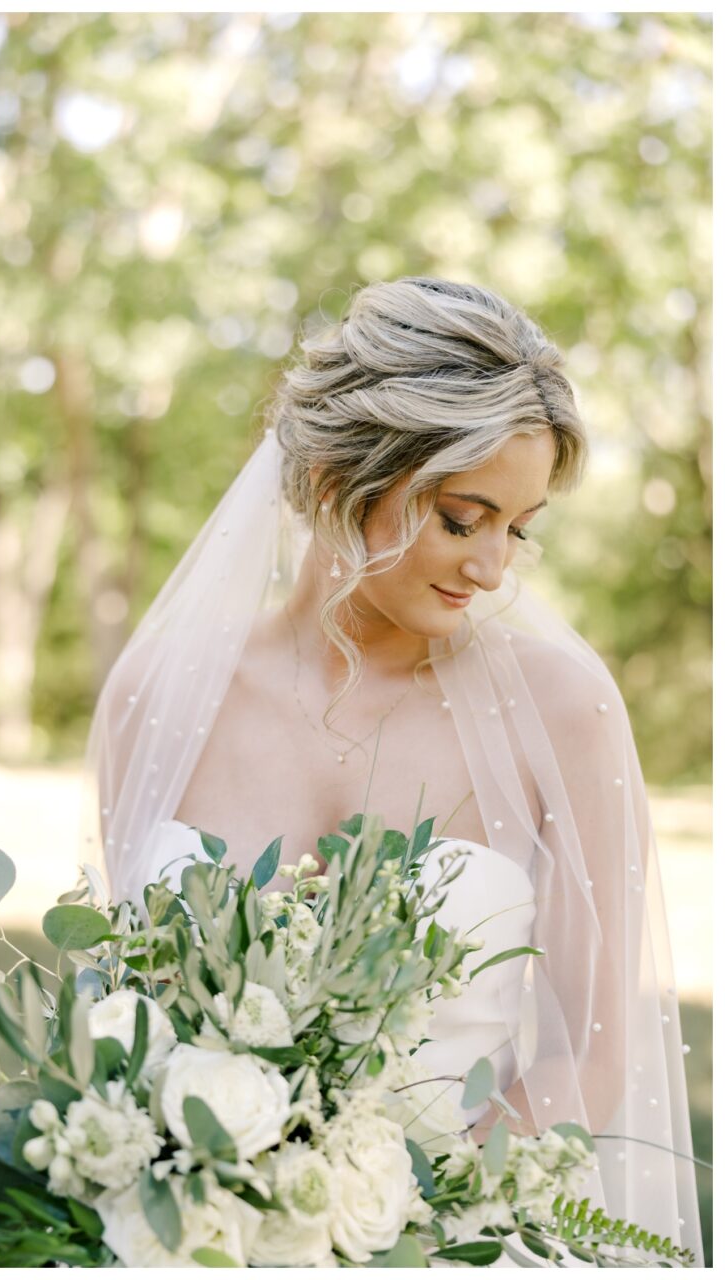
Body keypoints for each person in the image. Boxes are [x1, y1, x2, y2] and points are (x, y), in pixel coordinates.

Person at [90, 277, 700, 1260]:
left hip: (464, 1235)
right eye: (463, 519)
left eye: (518, 525)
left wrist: (410, 1227)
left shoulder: (563, 710)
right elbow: (119, 1015)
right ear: (339, 480)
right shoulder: (154, 693)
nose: (494, 567)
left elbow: (587, 1048)